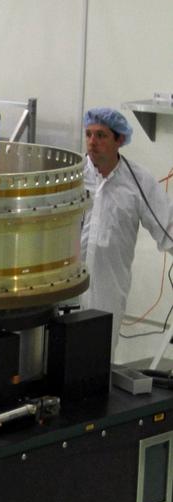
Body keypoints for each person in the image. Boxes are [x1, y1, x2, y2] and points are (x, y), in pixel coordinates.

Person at [82, 107, 173, 354]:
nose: (92, 142)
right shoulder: (73, 176)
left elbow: (167, 225)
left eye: (101, 135)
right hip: (66, 288)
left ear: (119, 140)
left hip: (109, 289)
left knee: (98, 360)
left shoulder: (138, 181)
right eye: (89, 134)